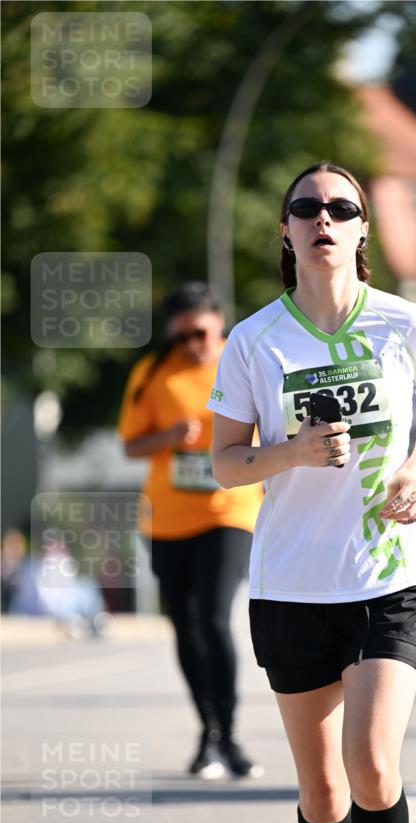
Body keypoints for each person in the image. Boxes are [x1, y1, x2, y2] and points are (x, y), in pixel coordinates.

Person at [208, 162, 416, 823]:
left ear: (361, 231)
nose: (323, 217)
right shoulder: (253, 340)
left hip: (387, 576)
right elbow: (223, 463)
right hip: (291, 584)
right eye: (305, 207)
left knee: (370, 763)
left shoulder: (403, 323)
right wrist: (294, 452)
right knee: (320, 786)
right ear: (284, 231)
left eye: (341, 207)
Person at [117, 282, 264, 780]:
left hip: (230, 509)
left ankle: (229, 729)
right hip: (166, 518)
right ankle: (209, 733)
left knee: (213, 615)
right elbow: (131, 445)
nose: (192, 345)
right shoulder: (153, 372)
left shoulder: (245, 361)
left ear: (219, 322)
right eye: (180, 337)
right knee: (184, 623)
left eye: (199, 333)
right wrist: (170, 437)